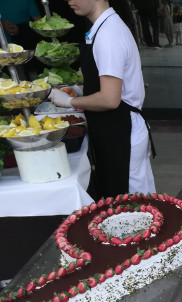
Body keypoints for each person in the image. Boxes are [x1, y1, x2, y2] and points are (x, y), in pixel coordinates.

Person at [49, 0, 156, 198]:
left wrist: (69, 102)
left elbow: (109, 99)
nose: (69, 1)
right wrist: (81, 90)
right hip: (114, 130)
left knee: (130, 205)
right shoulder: (102, 28)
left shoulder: (108, 35)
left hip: (121, 132)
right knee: (130, 202)